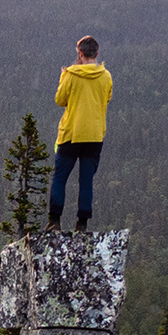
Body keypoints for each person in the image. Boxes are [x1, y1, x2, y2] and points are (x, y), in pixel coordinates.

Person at [48, 35, 111, 229]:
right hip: (94, 135)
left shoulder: (71, 75)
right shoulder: (105, 76)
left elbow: (60, 100)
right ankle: (82, 223)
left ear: (80, 53)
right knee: (86, 179)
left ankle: (54, 221)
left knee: (60, 177)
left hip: (71, 134)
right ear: (97, 54)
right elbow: (106, 99)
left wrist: (63, 76)